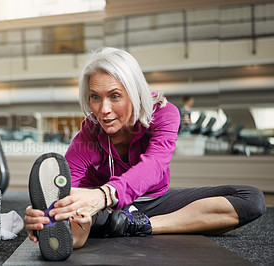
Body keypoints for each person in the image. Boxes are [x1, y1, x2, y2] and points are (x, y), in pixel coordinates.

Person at [24, 47, 266, 259]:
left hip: (153, 202)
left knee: (251, 199)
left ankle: (140, 225)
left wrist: (105, 195)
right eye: (95, 97)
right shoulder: (90, 131)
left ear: (135, 91)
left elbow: (154, 165)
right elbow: (68, 188)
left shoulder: (164, 114)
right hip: (102, 212)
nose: (103, 110)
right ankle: (91, 227)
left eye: (115, 96)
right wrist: (46, 214)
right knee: (73, 210)